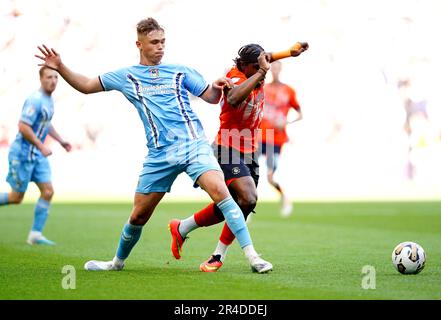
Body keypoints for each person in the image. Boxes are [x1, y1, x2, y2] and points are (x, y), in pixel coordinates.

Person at [35, 17, 272, 273]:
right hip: (160, 154)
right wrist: (60, 66)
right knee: (138, 216)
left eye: (163, 42)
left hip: (194, 146)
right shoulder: (127, 76)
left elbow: (212, 98)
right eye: (154, 42)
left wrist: (218, 86)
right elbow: (87, 85)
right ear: (139, 44)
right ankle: (116, 263)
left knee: (224, 196)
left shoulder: (180, 71)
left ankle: (253, 257)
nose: (160, 47)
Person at [169, 43, 308, 272]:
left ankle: (183, 228)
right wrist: (262, 72)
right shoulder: (234, 76)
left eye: (263, 64)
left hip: (249, 148)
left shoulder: (256, 67)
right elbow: (233, 98)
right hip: (227, 146)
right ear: (245, 66)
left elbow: (267, 57)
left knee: (239, 202)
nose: (264, 68)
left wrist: (289, 53)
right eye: (258, 66)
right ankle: (236, 256)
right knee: (248, 197)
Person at [0, 66, 72, 245]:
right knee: (16, 198)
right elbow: (23, 126)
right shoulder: (35, 100)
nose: (53, 81)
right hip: (23, 155)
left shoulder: (49, 100)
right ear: (41, 79)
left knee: (48, 191)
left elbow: (46, 124)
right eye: (49, 77)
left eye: (56, 77)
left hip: (37, 156)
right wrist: (41, 146)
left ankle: (35, 235)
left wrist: (61, 141)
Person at [259, 60, 302, 216]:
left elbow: (300, 114)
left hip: (275, 139)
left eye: (278, 67)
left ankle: (284, 198)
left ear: (281, 69)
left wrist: (286, 121)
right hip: (259, 136)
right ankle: (245, 206)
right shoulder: (263, 88)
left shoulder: (288, 91)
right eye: (273, 68)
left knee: (270, 176)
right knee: (248, 172)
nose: (275, 70)